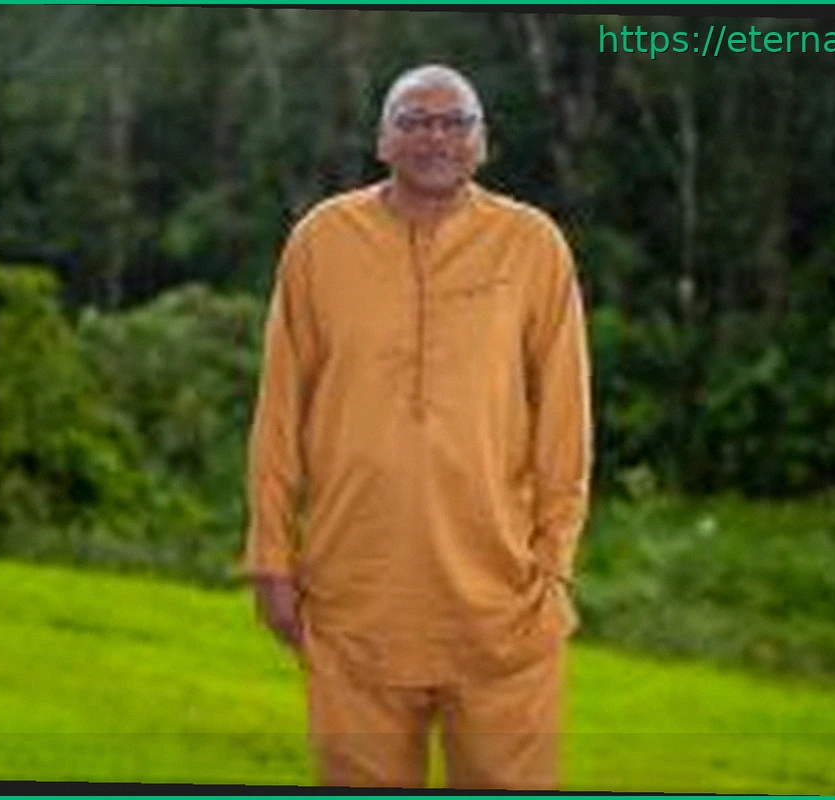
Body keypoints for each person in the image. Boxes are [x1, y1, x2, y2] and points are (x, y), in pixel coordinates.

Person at [242, 63, 592, 790]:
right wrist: (271, 555)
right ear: (382, 140)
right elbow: (279, 413)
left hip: (501, 601)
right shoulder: (320, 242)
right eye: (414, 121)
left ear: (482, 141)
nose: (436, 137)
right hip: (355, 594)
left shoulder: (532, 244)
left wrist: (554, 560)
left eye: (455, 122)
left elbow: (565, 418)